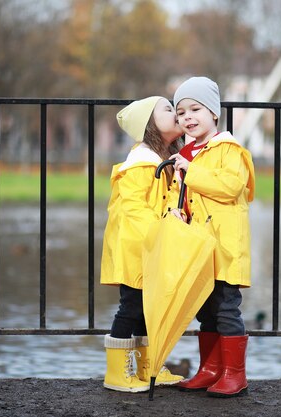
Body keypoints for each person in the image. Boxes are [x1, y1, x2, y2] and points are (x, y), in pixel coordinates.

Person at [168, 76, 255, 398]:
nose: (187, 117)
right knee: (206, 309)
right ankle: (210, 370)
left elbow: (230, 187)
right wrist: (177, 213)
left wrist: (190, 170)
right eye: (180, 113)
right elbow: (187, 197)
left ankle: (235, 374)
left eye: (195, 109)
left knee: (227, 309)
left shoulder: (228, 149)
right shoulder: (189, 152)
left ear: (214, 113)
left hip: (225, 246)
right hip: (201, 246)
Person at [100, 96, 185, 392]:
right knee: (132, 307)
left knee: (150, 310)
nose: (177, 113)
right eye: (168, 109)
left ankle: (150, 368)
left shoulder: (163, 161)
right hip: (137, 249)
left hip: (151, 247)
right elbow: (135, 209)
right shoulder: (141, 162)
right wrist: (164, 220)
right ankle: (116, 374)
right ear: (149, 123)